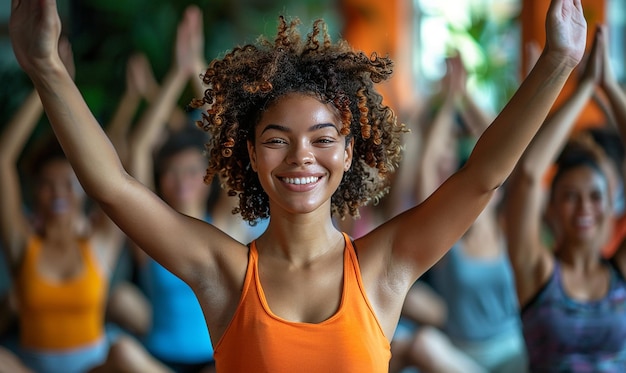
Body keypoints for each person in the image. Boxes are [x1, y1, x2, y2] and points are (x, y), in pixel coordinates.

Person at [8, 0, 587, 370]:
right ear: (253, 156)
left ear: (349, 149)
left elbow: (483, 177)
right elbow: (113, 187)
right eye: (277, 139)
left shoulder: (383, 268)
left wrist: (559, 60)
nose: (301, 156)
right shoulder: (226, 274)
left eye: (322, 137)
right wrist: (46, 66)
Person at [505, 26, 626, 372]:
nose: (585, 207)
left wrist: (611, 88)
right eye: (571, 196)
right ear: (552, 208)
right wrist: (583, 89)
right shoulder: (537, 270)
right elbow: (528, 175)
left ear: (611, 204)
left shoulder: (619, 275)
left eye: (595, 196)